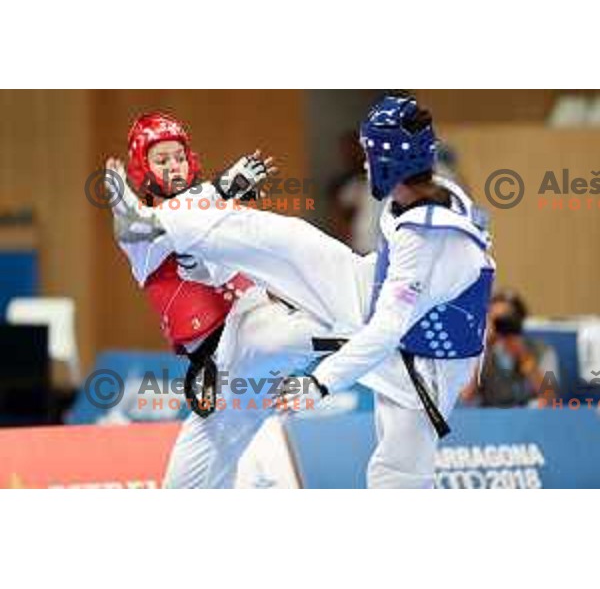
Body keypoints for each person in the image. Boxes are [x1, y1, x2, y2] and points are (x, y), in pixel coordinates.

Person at [148, 93, 496, 488]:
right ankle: (176, 233)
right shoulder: (434, 197)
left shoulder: (430, 237)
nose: (364, 164)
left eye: (370, 155)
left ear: (389, 162)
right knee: (289, 252)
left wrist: (320, 383)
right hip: (376, 303)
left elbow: (386, 330)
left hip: (413, 363)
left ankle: (178, 234)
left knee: (397, 479)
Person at [460, 289, 559, 408]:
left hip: (530, 418)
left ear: (519, 320)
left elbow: (550, 395)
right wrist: (484, 349)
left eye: (506, 319)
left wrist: (523, 356)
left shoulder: (544, 351)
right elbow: (466, 397)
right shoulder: (481, 354)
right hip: (493, 420)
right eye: (495, 320)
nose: (501, 325)